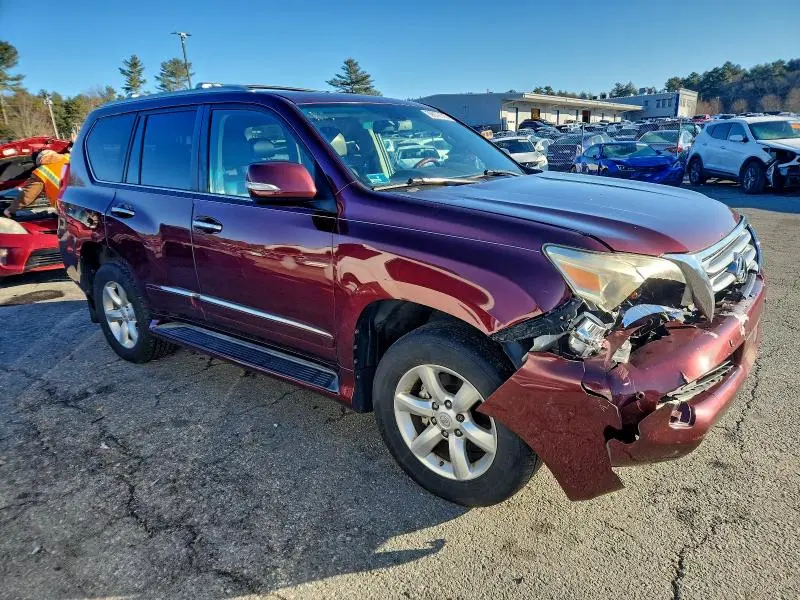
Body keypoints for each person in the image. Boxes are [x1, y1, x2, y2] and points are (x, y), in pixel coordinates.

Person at [2, 147, 70, 218]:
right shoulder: (69, 158)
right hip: (80, 199)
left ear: (39, 161)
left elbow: (28, 195)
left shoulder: (42, 172)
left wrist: (10, 209)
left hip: (68, 206)